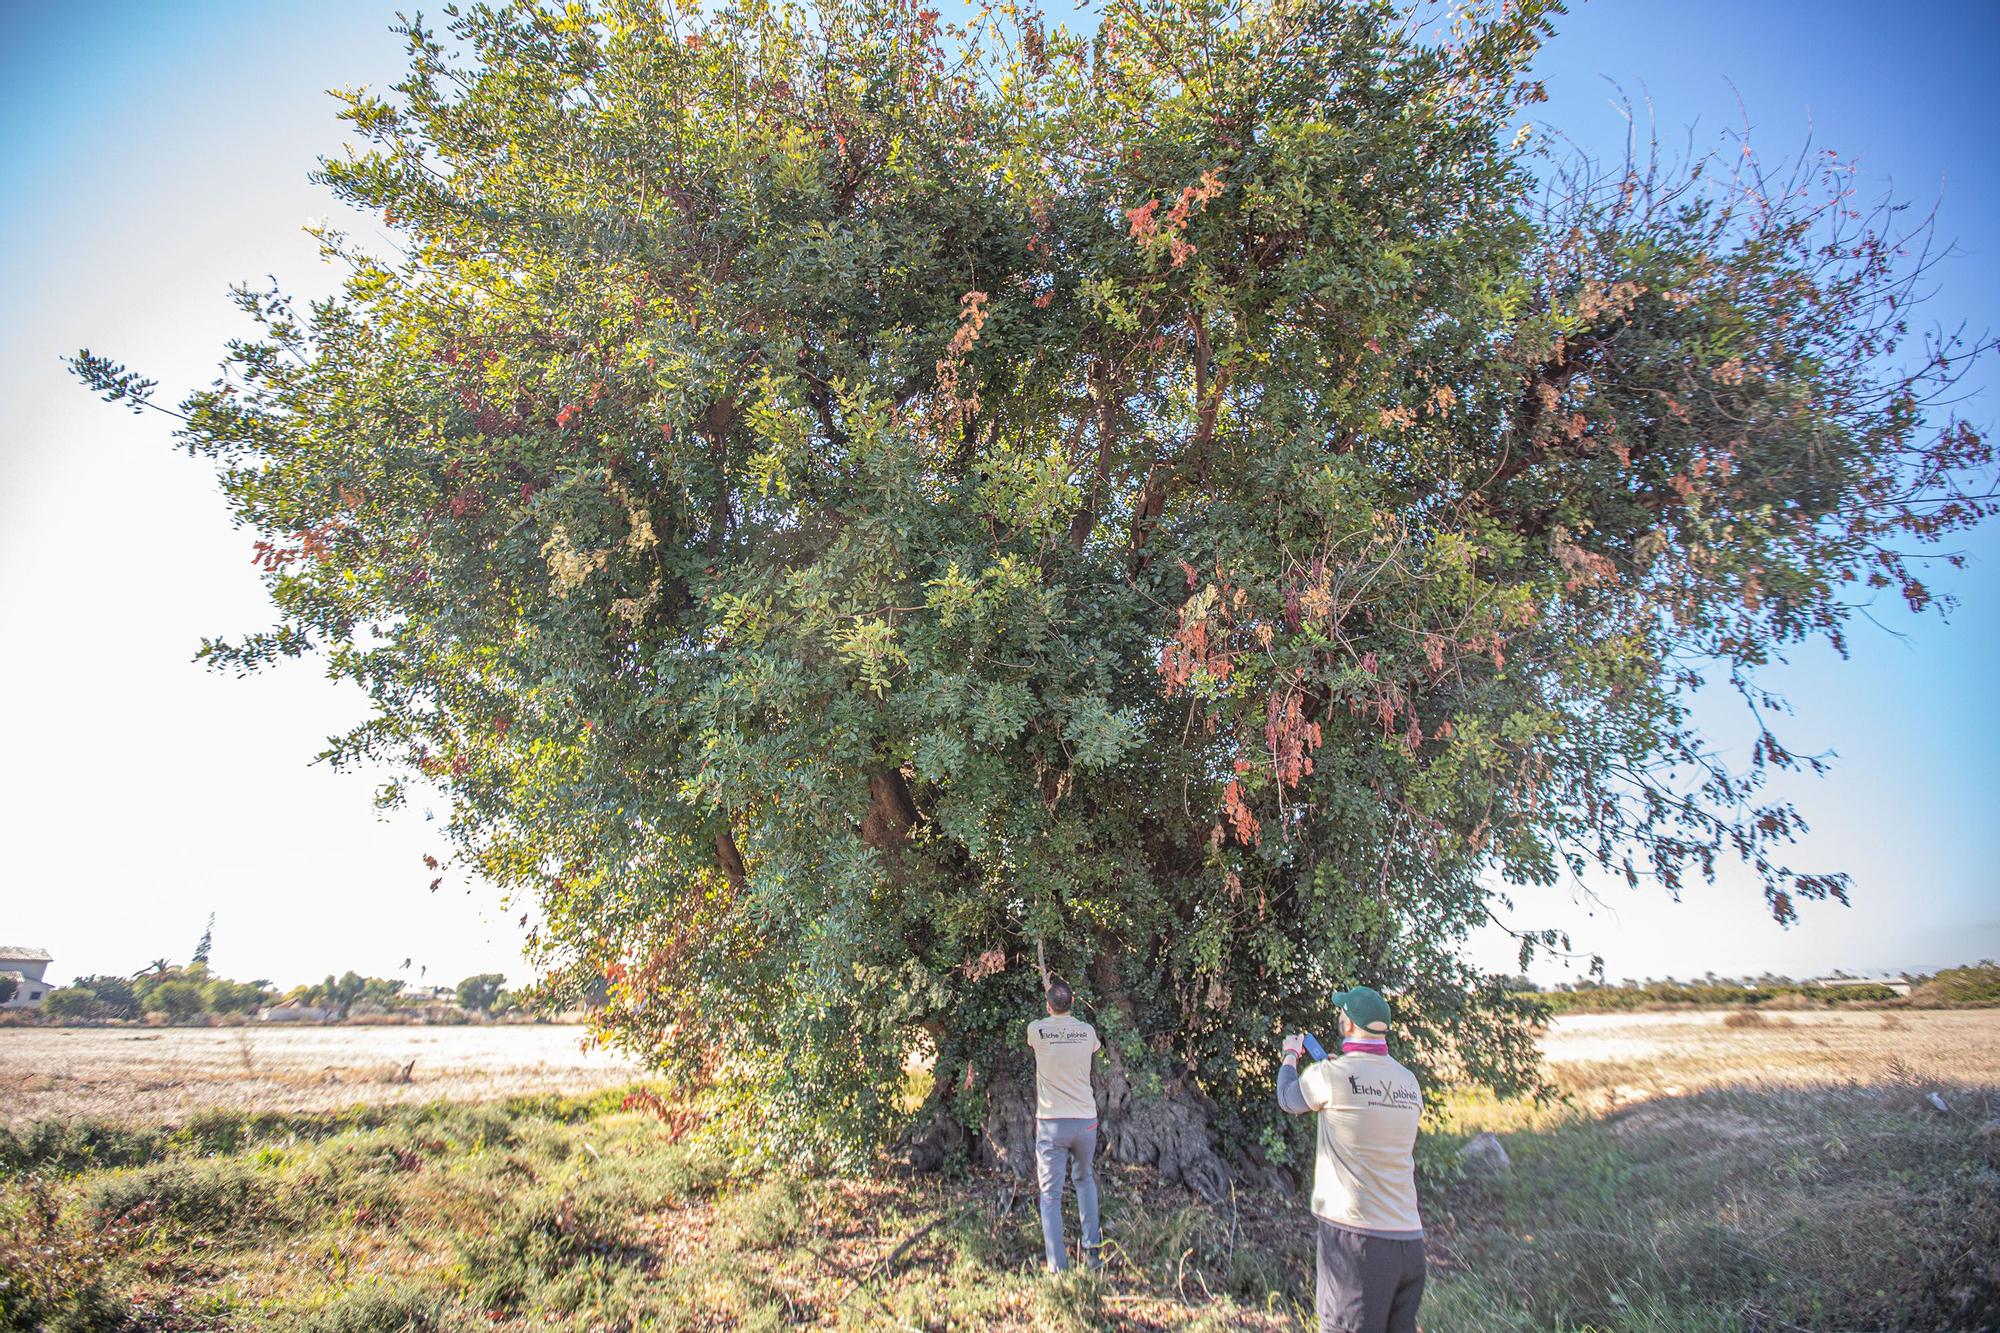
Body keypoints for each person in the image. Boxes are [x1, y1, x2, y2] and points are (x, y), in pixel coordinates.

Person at [1277, 985, 1426, 1333]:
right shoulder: (1409, 1082)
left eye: (1341, 1013)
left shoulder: (1330, 1076)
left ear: (1349, 1026)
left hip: (1356, 1241)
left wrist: (1289, 1056)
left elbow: (1288, 1098)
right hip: (1409, 1241)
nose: (1339, 1018)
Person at [1026, 978, 1102, 1272]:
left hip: (1051, 1124)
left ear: (1047, 1006)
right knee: (1085, 1182)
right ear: (1074, 1002)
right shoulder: (1087, 1032)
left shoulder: (1037, 1030)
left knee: (1050, 1195)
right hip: (1085, 1122)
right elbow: (1093, 1049)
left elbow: (1038, 1037)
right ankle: (1093, 1254)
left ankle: (1058, 1268)